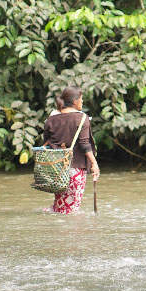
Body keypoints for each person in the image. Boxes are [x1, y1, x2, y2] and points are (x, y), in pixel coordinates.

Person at [42, 85, 99, 214]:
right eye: (81, 99)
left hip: (56, 170)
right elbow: (85, 144)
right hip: (75, 170)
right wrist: (94, 164)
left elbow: (46, 142)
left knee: (59, 208)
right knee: (72, 212)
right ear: (75, 101)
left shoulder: (51, 119)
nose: (82, 102)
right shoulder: (82, 118)